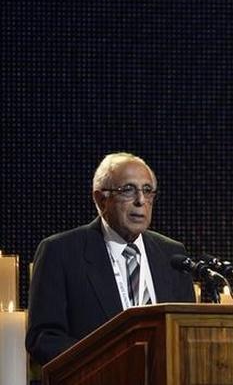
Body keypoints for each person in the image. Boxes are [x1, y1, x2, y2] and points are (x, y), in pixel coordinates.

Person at [26, 152, 195, 365]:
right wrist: (106, 362)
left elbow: (186, 334)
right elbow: (43, 339)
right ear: (100, 199)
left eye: (147, 190)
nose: (140, 201)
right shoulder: (60, 252)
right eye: (128, 190)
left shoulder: (172, 254)